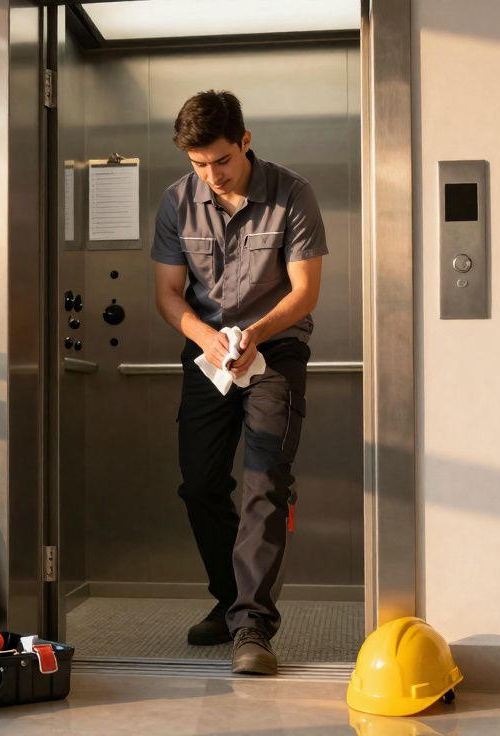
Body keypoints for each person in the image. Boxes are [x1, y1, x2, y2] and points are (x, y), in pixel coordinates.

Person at [150, 89, 327, 675]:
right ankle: (229, 599)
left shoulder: (292, 194)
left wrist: (254, 332)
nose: (211, 175)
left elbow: (304, 291)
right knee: (199, 485)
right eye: (198, 164)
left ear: (245, 141)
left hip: (274, 352)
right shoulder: (178, 201)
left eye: (221, 160)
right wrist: (208, 338)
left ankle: (252, 625)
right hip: (208, 354)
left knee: (264, 481)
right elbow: (168, 295)